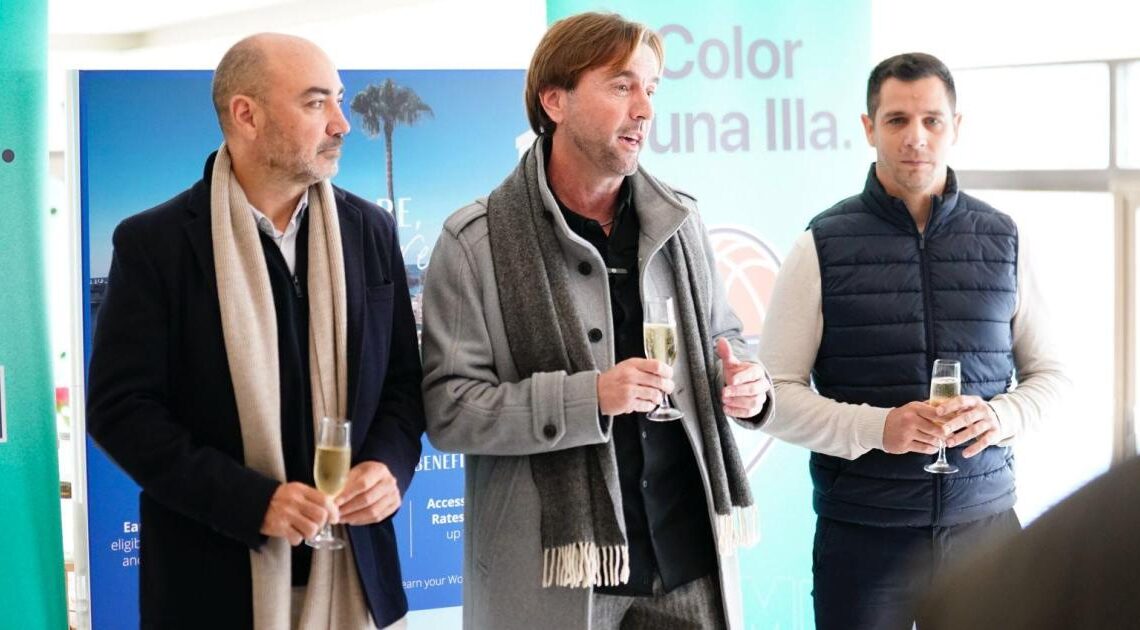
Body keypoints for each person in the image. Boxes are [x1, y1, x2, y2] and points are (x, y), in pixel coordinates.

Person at [420, 12, 772, 630]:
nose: (645, 109)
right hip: (557, 582)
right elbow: (451, 411)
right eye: (621, 86)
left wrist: (750, 384)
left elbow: (725, 338)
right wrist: (591, 398)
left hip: (689, 561)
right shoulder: (475, 241)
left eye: (651, 89)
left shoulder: (681, 222)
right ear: (554, 101)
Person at [86, 33, 425, 629]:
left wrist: (388, 467)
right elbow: (122, 411)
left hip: (351, 575)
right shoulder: (154, 243)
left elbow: (402, 384)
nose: (341, 123)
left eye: (340, 100)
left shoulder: (370, 230)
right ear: (246, 114)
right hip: (212, 584)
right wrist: (252, 502)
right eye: (316, 103)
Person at [757, 52, 1068, 629]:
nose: (916, 137)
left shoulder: (1004, 238)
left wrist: (999, 417)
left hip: (987, 535)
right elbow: (772, 395)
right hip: (864, 540)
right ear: (868, 128)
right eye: (897, 120)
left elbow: (1052, 376)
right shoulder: (819, 245)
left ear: (956, 127)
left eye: (932, 120)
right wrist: (878, 428)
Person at [917, 455, 1140, 630]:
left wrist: (1002, 419)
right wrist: (890, 433)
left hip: (987, 515)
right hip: (898, 526)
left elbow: (1044, 406)